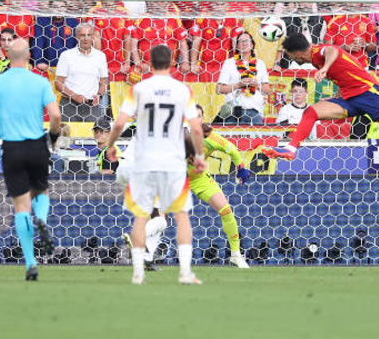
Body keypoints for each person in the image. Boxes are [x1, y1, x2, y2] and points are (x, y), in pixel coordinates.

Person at [105, 44, 206, 285]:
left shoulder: (138, 89)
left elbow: (119, 123)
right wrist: (199, 156)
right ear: (172, 62)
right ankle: (185, 273)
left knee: (143, 216)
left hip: (141, 160)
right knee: (180, 216)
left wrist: (110, 144)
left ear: (149, 63)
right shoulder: (182, 90)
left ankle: (139, 271)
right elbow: (195, 127)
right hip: (170, 162)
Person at [0, 39, 62, 281]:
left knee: (21, 206)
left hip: (11, 148)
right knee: (41, 193)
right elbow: (55, 114)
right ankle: (41, 219)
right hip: (36, 145)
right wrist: (52, 136)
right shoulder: (40, 82)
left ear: (7, 56)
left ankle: (31, 265)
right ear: (29, 55)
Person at [262, 33, 379, 161]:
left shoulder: (318, 52)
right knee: (311, 112)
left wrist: (325, 68)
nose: (288, 58)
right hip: (350, 98)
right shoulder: (314, 59)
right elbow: (344, 77)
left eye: (289, 55)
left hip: (369, 94)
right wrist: (334, 97)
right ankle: (291, 150)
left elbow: (332, 49)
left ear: (296, 54)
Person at [185, 105, 251, 268]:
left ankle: (236, 255)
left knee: (226, 209)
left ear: (203, 119)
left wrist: (240, 167)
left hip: (199, 179)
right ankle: (149, 252)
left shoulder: (211, 137)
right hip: (176, 179)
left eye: (199, 116)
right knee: (161, 216)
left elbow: (232, 150)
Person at [54, 23, 109, 122]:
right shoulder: (66, 55)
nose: (86, 39)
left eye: (89, 35)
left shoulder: (100, 56)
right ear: (76, 37)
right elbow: (58, 83)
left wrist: (99, 95)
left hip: (93, 107)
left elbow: (103, 82)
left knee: (94, 136)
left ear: (93, 37)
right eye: (82, 35)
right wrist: (73, 95)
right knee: (67, 136)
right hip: (69, 106)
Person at [216, 32, 272, 125]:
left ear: (252, 44)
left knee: (257, 139)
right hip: (233, 112)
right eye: (241, 41)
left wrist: (256, 85)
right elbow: (219, 89)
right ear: (237, 46)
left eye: (247, 40)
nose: (244, 43)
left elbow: (267, 91)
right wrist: (238, 85)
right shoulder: (229, 63)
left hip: (254, 112)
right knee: (231, 139)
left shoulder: (260, 64)